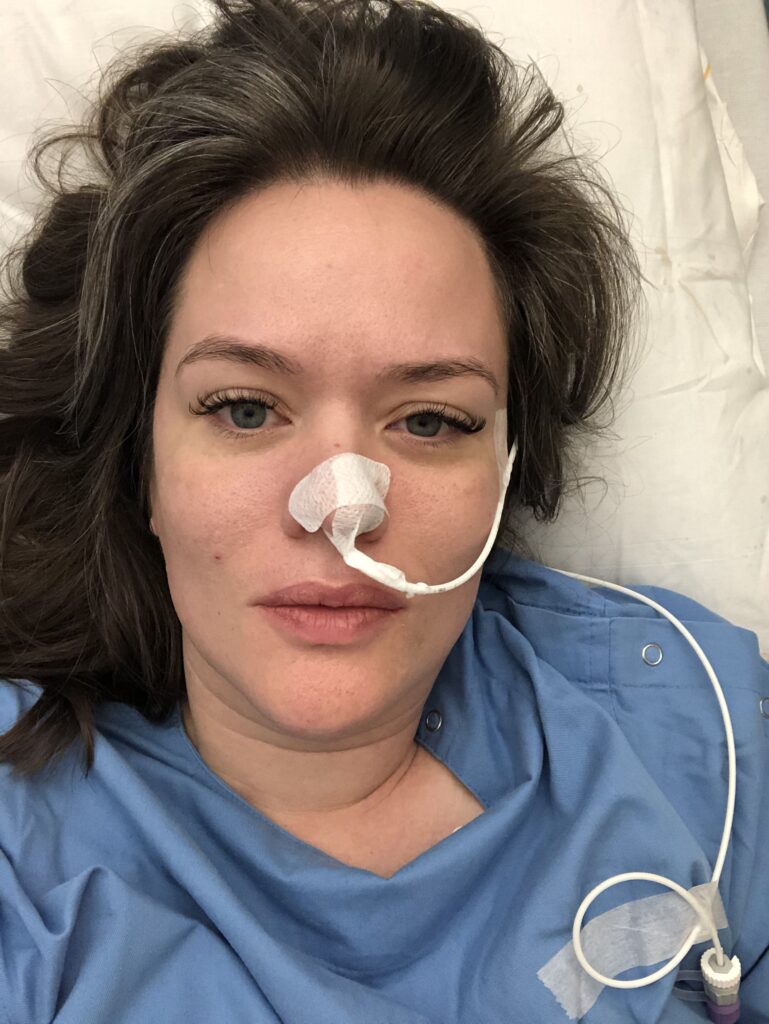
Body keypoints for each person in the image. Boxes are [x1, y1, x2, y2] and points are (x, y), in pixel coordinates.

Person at [0, 1, 766, 1021]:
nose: (341, 514)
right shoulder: (25, 850)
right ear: (141, 464)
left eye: (432, 420)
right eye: (243, 408)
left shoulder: (694, 722)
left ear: (507, 469)